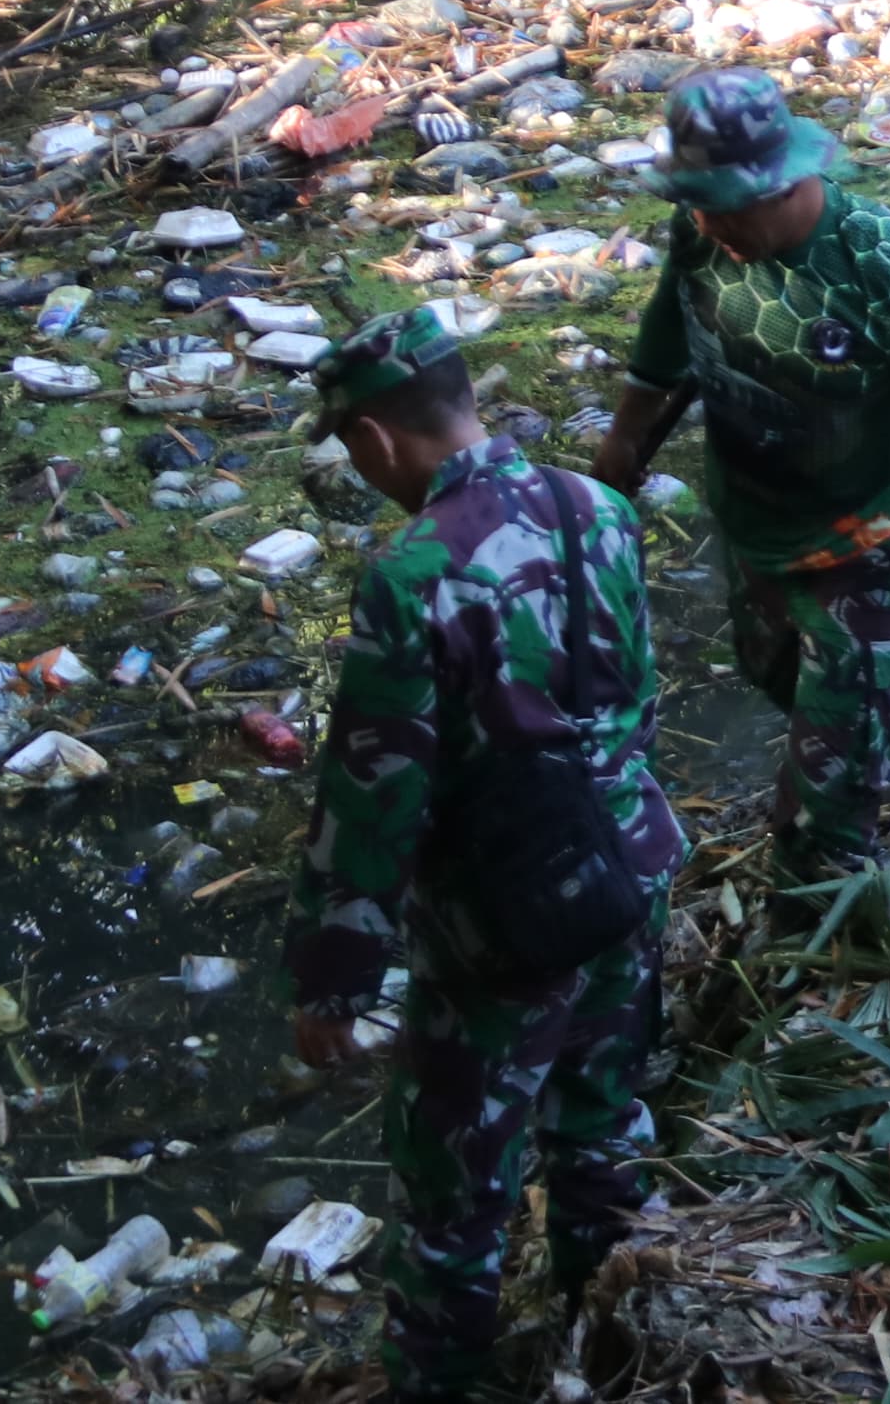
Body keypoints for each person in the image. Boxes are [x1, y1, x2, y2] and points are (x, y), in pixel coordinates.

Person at [288, 306, 683, 1400]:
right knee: (602, 1137)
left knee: (454, 1197)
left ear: (372, 439)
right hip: (627, 876)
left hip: (502, 928)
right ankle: (619, 1355)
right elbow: (637, 699)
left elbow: (375, 795)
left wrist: (334, 975)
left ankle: (444, 1384)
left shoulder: (412, 572)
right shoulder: (597, 506)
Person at [591, 69, 890, 884]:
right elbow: (670, 321)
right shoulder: (703, 228)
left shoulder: (881, 262)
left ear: (784, 182)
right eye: (696, 200)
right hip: (758, 521)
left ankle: (819, 926)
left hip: (867, 535)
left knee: (826, 811)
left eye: (723, 204)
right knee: (772, 668)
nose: (705, 220)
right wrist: (624, 440)